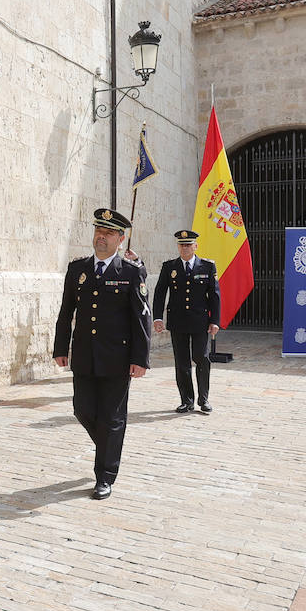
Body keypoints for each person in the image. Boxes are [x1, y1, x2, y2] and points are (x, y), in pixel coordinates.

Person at [52, 209, 152, 501]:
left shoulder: (131, 273)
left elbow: (141, 318)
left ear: (120, 239)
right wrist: (60, 348)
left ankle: (105, 475)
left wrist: (140, 358)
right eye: (98, 231)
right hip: (84, 355)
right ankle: (109, 447)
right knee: (82, 410)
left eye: (108, 233)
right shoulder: (78, 269)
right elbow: (65, 312)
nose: (101, 237)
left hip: (117, 359)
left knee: (111, 418)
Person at [151, 229, 221, 413]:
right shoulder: (169, 267)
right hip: (178, 321)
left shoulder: (207, 266)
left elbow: (214, 295)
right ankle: (187, 400)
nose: (185, 248)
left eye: (188, 244)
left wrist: (215, 321)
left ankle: (203, 399)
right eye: (182, 245)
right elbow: (159, 293)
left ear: (195, 246)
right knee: (181, 362)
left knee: (201, 358)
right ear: (178, 247)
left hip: (200, 321)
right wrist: (158, 317)